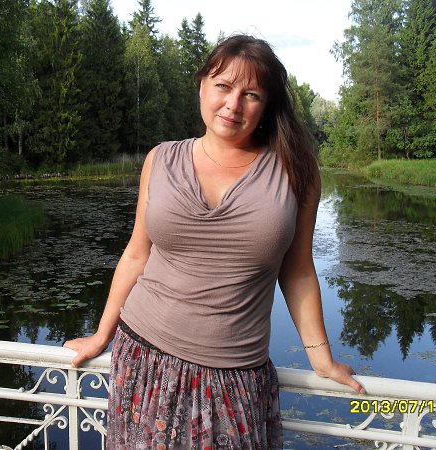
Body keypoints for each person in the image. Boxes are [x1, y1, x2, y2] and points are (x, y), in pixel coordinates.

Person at [64, 34, 365, 449]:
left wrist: (321, 357)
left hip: (234, 379)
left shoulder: (296, 171)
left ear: (267, 105)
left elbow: (297, 271)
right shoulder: (160, 159)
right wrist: (102, 335)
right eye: (223, 86)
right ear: (202, 86)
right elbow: (136, 254)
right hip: (144, 362)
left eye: (251, 94)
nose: (233, 104)